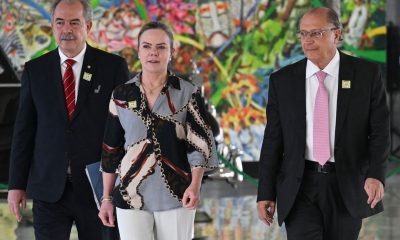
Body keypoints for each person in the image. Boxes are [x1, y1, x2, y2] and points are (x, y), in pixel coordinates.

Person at [257, 7, 390, 240]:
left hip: (346, 185)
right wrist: (265, 192)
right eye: (303, 34)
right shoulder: (283, 80)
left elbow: (379, 131)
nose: (307, 41)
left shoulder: (366, 75)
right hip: (300, 186)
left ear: (336, 35)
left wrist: (376, 174)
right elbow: (273, 140)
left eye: (316, 33)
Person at [7, 0, 129, 239]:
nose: (67, 30)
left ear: (88, 26)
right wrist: (16, 185)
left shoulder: (112, 67)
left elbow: (123, 130)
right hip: (49, 188)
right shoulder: (35, 70)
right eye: (60, 22)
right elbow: (24, 131)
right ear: (52, 26)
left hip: (98, 189)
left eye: (75, 22)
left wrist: (119, 185)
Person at [98, 21, 218, 240]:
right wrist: (106, 198)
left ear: (171, 52)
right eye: (147, 46)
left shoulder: (187, 93)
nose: (153, 52)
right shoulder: (122, 94)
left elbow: (199, 144)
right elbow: (111, 149)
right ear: (138, 51)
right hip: (130, 195)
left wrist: (195, 185)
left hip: (178, 194)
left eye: (161, 47)